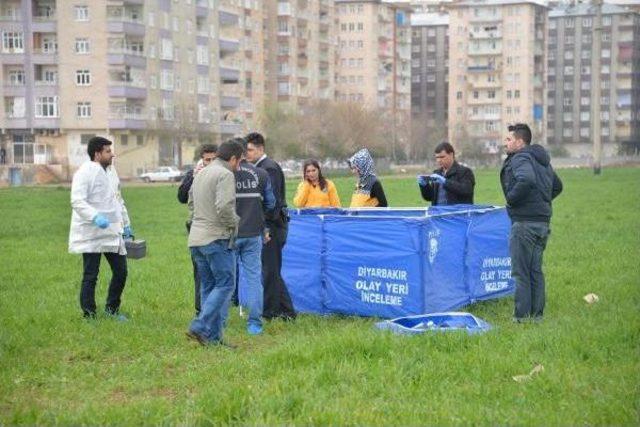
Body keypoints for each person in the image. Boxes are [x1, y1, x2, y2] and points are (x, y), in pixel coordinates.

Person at [500, 123, 563, 323]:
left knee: (521, 272)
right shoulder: (542, 160)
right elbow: (557, 186)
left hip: (524, 223)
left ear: (520, 142)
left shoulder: (521, 158)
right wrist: (541, 203)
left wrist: (511, 199)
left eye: (508, 139)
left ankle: (521, 318)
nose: (505, 143)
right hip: (542, 223)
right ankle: (537, 317)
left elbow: (526, 180)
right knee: (535, 270)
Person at [186, 139, 244, 347]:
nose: (239, 167)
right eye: (240, 162)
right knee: (226, 283)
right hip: (216, 238)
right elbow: (225, 207)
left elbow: (191, 203)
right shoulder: (225, 174)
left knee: (209, 287)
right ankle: (200, 326)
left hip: (196, 239)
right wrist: (234, 226)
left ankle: (213, 339)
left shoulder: (202, 172)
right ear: (233, 158)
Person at [69, 136, 133, 320]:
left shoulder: (111, 172)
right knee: (91, 275)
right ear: (97, 154)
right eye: (108, 151)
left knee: (121, 272)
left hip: (112, 231)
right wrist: (95, 217)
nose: (112, 154)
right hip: (92, 232)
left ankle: (112, 310)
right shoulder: (84, 172)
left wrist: (127, 224)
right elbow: (77, 201)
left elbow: (117, 199)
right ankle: (89, 314)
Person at [245, 132, 296, 321]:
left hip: (273, 226)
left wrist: (264, 227)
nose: (247, 154)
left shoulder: (269, 168)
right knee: (271, 270)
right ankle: (287, 312)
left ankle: (270, 312)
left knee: (270, 271)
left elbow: (272, 203)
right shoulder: (261, 168)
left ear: (260, 149)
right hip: (269, 225)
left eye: (250, 150)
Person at [234, 137, 276, 335]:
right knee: (253, 280)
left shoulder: (226, 174)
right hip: (253, 234)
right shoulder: (261, 174)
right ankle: (255, 324)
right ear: (245, 152)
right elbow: (271, 203)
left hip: (230, 235)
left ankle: (220, 320)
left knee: (225, 279)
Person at [177, 143, 217, 315]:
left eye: (214, 159)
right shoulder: (194, 173)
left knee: (218, 270)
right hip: (197, 226)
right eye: (207, 160)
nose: (210, 163)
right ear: (202, 159)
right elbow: (181, 197)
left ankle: (216, 307)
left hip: (217, 227)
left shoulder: (223, 174)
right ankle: (201, 308)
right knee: (200, 270)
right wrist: (193, 177)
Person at [417, 142, 475, 206]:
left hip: (457, 214)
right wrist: (424, 186)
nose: (439, 160)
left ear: (451, 155)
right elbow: (430, 197)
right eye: (437, 157)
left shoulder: (465, 171)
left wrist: (445, 182)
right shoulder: (437, 173)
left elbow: (466, 190)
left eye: (442, 157)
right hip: (438, 214)